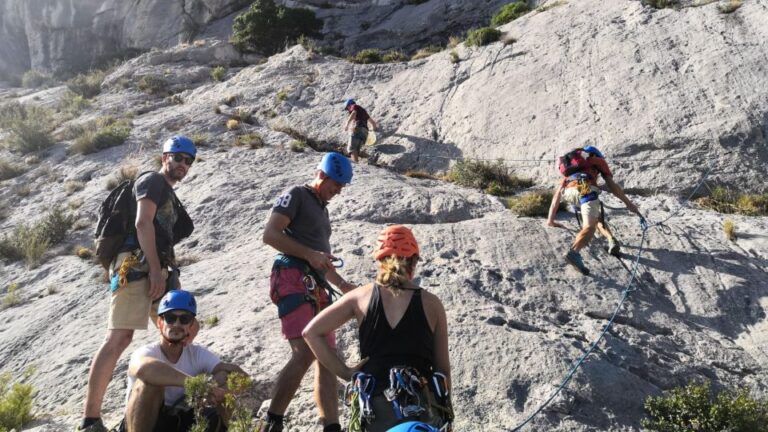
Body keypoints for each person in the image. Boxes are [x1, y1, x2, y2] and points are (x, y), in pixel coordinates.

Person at [79, 135, 197, 431]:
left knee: (184, 329)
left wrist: (164, 270)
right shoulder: (152, 181)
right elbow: (142, 223)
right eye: (178, 157)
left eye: (188, 160)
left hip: (160, 269)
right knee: (119, 338)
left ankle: (167, 401)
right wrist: (155, 270)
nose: (183, 164)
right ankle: (90, 418)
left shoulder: (168, 193)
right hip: (136, 265)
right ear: (164, 157)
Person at [303, 225, 453, 432]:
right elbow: (443, 369)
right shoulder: (432, 303)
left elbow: (310, 332)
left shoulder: (360, 297)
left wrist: (345, 372)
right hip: (421, 405)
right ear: (414, 260)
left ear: (380, 261)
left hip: (374, 407)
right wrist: (447, 415)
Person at [260, 152, 358, 432]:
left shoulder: (322, 210)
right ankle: (273, 421)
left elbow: (320, 262)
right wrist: (310, 254)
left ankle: (331, 426)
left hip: (315, 282)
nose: (338, 191)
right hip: (291, 275)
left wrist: (344, 286)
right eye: (336, 184)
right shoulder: (297, 195)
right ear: (322, 175)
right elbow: (270, 234)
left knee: (327, 355)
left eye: (341, 186)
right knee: (304, 350)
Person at [120, 290, 246, 432]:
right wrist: (198, 385)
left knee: (223, 377)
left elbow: (242, 377)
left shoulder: (197, 353)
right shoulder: (146, 352)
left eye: (184, 319)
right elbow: (144, 369)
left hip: (181, 422)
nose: (177, 324)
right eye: (170, 318)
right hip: (148, 423)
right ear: (160, 323)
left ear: (191, 325)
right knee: (147, 384)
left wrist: (219, 388)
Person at [546, 145, 641, 275]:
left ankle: (611, 239)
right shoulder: (597, 161)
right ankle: (574, 252)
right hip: (585, 189)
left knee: (595, 216)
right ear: (596, 155)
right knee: (589, 227)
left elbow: (557, 196)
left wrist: (550, 220)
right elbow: (612, 186)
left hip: (569, 192)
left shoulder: (570, 170)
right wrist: (628, 203)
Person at [343, 98, 378, 163]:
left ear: (349, 105)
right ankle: (365, 161)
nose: (348, 110)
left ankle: (355, 163)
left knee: (352, 148)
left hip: (357, 128)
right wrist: (373, 129)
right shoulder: (363, 111)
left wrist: (347, 124)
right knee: (356, 149)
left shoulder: (354, 106)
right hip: (365, 132)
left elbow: (354, 113)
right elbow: (373, 123)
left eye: (347, 108)